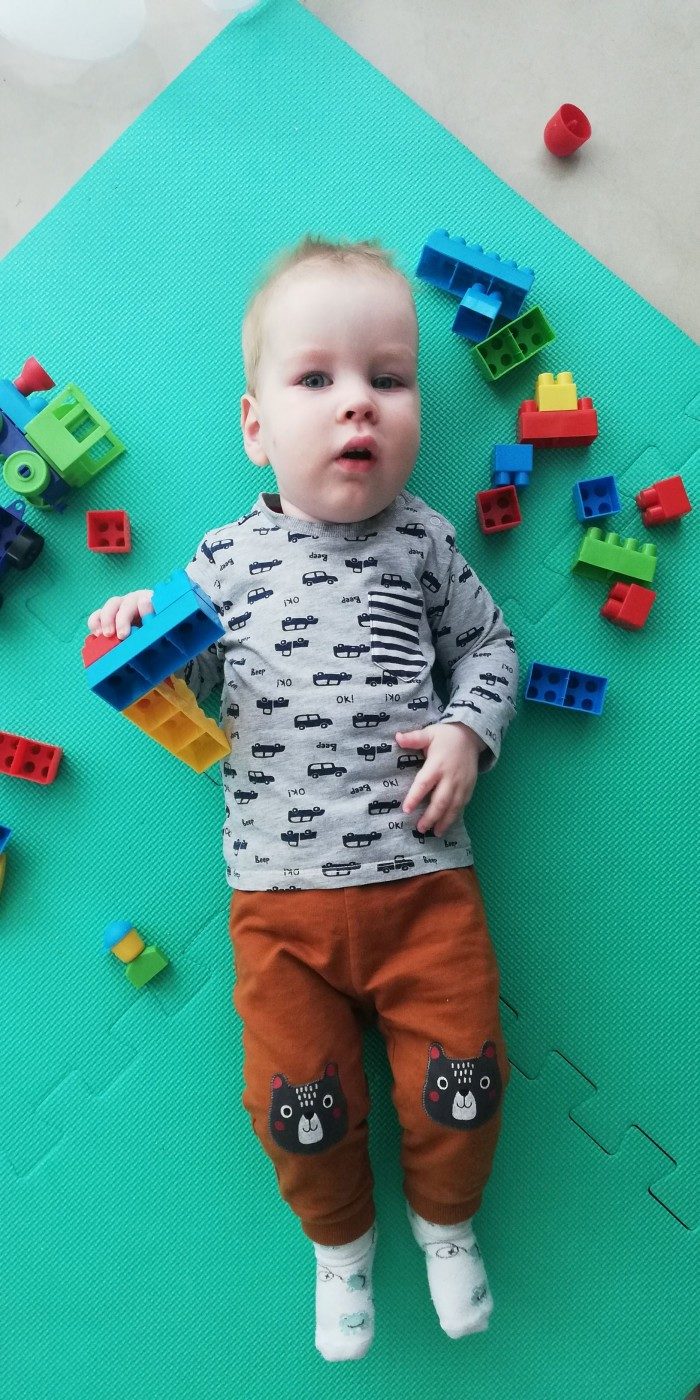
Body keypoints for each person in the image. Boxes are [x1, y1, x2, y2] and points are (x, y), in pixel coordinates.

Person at [87, 234, 519, 1362]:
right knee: (296, 1104)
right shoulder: (221, 560)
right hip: (279, 908)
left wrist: (469, 730)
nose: (357, 403)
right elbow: (182, 677)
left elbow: (489, 648)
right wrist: (137, 628)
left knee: (465, 1081)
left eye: (389, 377)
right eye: (316, 378)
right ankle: (340, 1248)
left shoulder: (424, 541)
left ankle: (446, 1221)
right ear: (255, 427)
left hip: (425, 886)